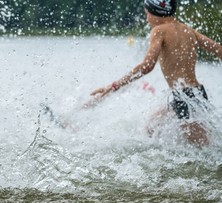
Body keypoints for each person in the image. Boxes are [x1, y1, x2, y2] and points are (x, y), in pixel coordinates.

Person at [89, 0, 222, 147]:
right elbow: (219, 50)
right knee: (152, 126)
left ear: (156, 12)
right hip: (194, 94)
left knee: (203, 150)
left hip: (185, 96)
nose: (147, 19)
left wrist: (115, 85)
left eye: (147, 14)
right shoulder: (188, 30)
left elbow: (147, 66)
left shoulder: (159, 31)